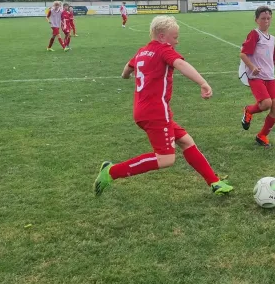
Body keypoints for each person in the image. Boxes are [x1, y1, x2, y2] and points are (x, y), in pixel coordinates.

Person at [94, 16, 233, 197]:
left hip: (143, 110)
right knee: (166, 158)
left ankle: (214, 182)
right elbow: (181, 64)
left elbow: (126, 71)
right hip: (156, 112)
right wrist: (203, 83)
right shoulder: (163, 50)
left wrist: (127, 76)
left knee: (186, 141)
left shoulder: (142, 51)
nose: (177, 41)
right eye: (174, 37)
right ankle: (112, 172)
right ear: (161, 37)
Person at [240, 6, 275, 147]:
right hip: (256, 77)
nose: (266, 21)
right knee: (266, 104)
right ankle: (248, 110)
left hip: (270, 77)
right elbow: (243, 54)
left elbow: (273, 59)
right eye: (263, 19)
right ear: (256, 20)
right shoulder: (254, 34)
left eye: (268, 18)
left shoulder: (272, 39)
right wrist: (252, 67)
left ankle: (262, 135)